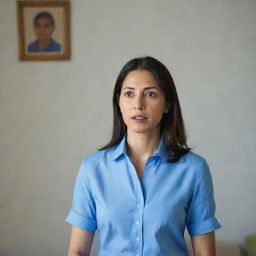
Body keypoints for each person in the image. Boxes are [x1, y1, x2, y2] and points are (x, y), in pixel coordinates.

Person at [65, 56, 221, 256]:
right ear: (119, 102)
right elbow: (77, 251)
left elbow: (205, 253)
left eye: (150, 94)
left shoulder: (193, 169)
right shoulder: (92, 168)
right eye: (129, 94)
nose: (138, 104)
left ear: (167, 105)